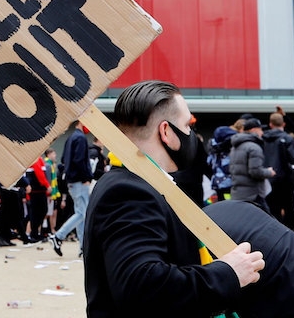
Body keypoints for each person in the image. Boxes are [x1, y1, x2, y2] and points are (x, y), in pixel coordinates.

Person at [85, 81, 264, 318]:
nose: (191, 135)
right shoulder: (129, 192)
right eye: (187, 125)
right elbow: (142, 286)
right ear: (166, 132)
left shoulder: (137, 183)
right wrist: (228, 273)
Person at [49, 121, 93, 256]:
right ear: (81, 122)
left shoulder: (71, 138)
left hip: (72, 181)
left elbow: (63, 159)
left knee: (81, 214)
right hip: (79, 181)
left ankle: (82, 248)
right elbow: (79, 160)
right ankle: (58, 236)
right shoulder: (80, 138)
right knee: (82, 214)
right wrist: (86, 178)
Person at [230, 118, 274, 212]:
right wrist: (269, 172)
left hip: (238, 194)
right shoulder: (254, 147)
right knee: (264, 218)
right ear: (254, 130)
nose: (262, 132)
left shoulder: (235, 147)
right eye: (260, 129)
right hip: (253, 195)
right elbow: (255, 172)